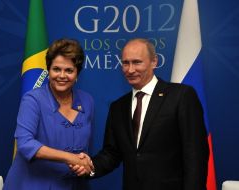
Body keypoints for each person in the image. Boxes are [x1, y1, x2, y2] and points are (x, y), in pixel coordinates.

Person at [73, 38, 209, 190]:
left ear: (154, 62)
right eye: (125, 63)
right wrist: (90, 166)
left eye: (137, 62)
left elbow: (195, 153)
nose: (130, 70)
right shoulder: (118, 107)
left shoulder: (181, 96)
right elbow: (111, 154)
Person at [3, 38, 94, 190]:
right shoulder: (32, 99)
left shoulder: (87, 101)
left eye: (69, 70)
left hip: (71, 185)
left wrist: (82, 165)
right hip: (31, 184)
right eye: (56, 69)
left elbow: (85, 148)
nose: (62, 75)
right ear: (48, 70)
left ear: (77, 72)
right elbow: (25, 144)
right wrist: (70, 158)